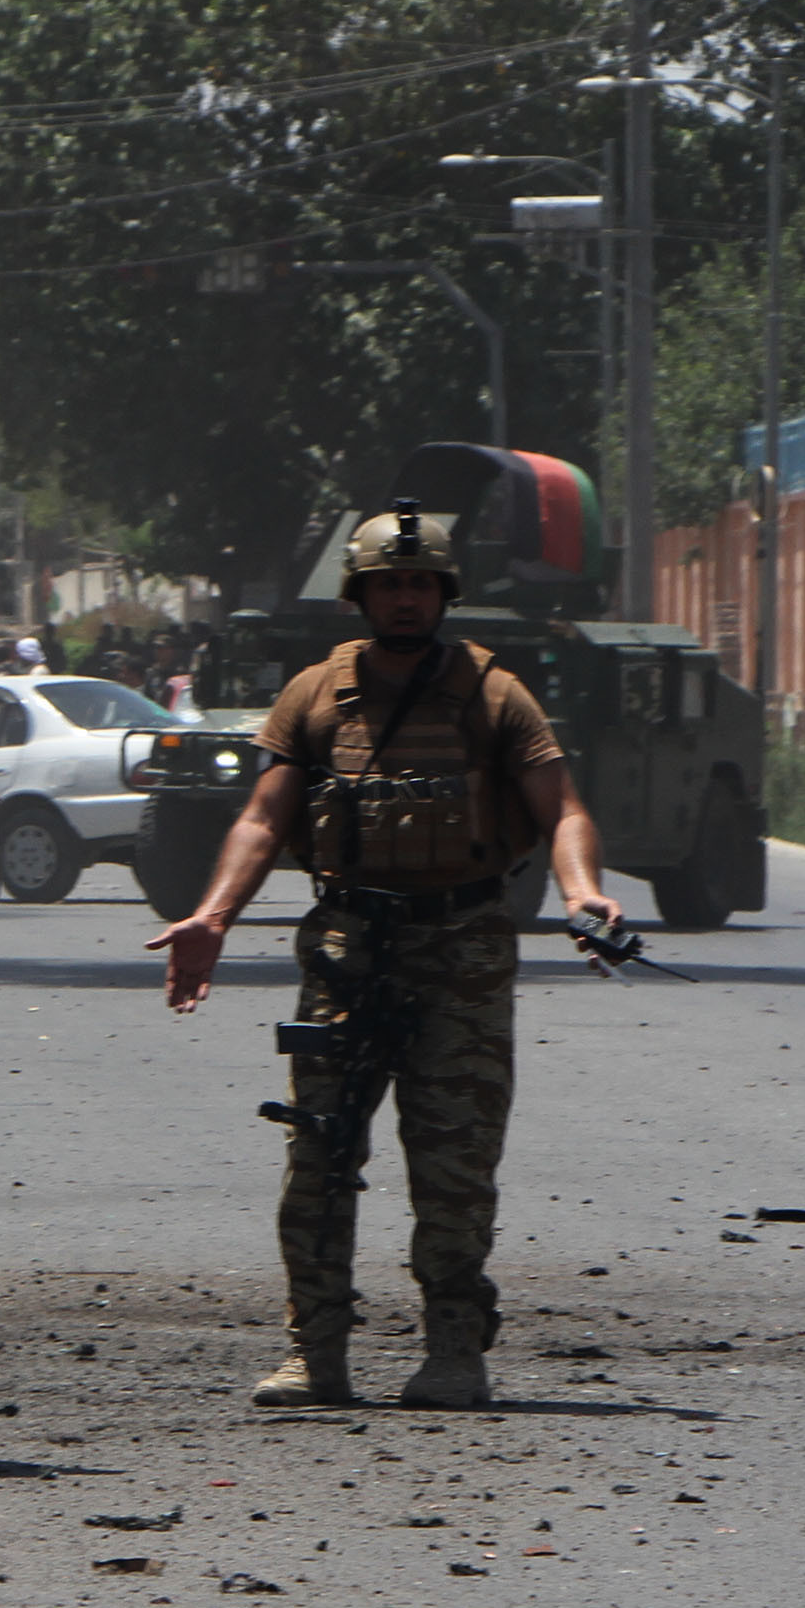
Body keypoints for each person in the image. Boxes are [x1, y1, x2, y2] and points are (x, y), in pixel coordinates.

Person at [146, 500, 616, 1410]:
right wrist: (213, 916)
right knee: (318, 1155)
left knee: (454, 1160)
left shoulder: (496, 694)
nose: (404, 598)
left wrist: (581, 890)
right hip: (346, 949)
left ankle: (452, 1346)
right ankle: (314, 1349)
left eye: (419, 583)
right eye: (387, 583)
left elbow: (562, 807)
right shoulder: (316, 692)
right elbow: (264, 815)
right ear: (359, 594)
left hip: (463, 950)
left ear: (443, 592)